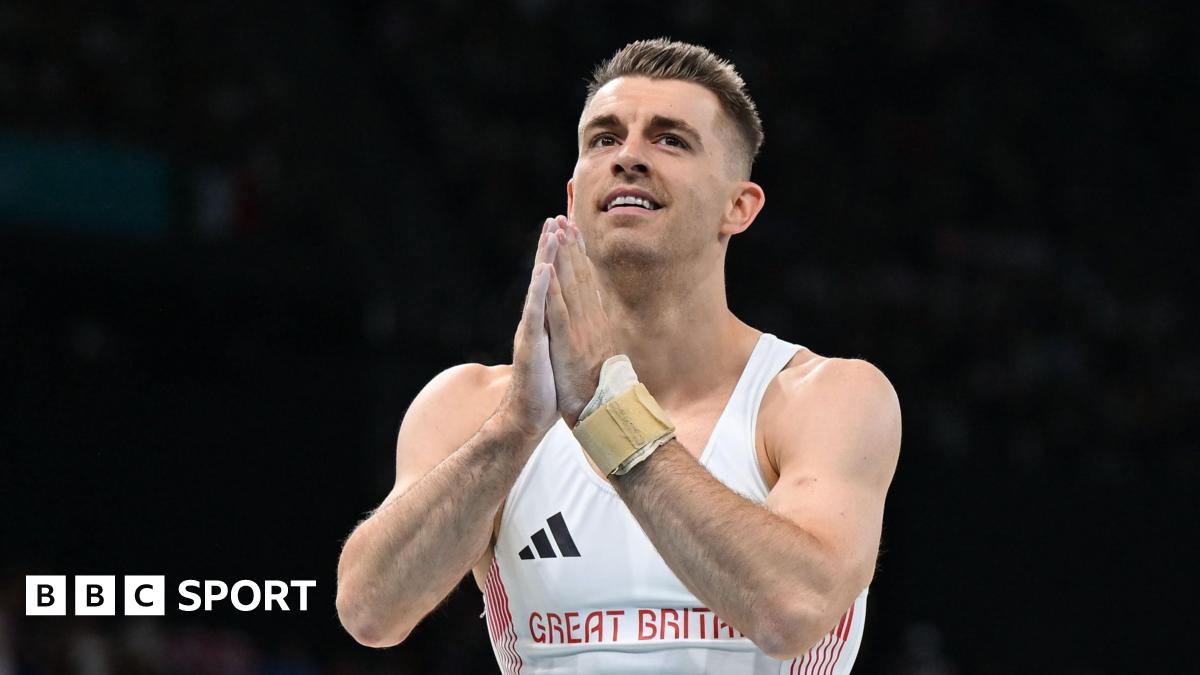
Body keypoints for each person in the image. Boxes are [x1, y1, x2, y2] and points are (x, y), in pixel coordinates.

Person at [335, 38, 901, 674]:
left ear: (737, 207)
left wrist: (608, 414)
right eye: (604, 139)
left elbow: (791, 612)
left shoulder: (822, 399)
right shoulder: (475, 409)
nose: (628, 156)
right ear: (574, 198)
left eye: (670, 140)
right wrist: (515, 431)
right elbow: (370, 612)